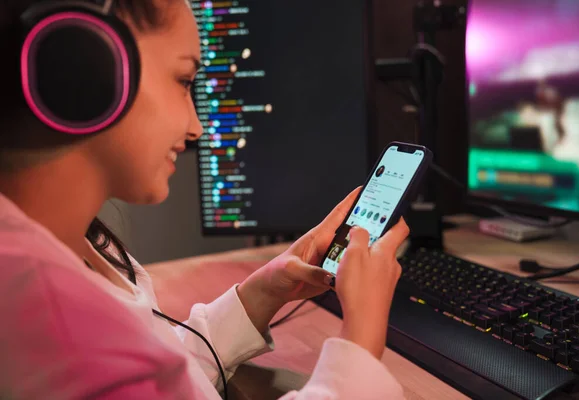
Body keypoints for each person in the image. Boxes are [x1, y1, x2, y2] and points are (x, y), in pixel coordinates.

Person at [0, 1, 409, 399]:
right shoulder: (54, 323)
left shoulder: (68, 247)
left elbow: (157, 373)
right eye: (183, 81)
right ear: (80, 62)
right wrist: (360, 339)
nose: (196, 127)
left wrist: (263, 292)